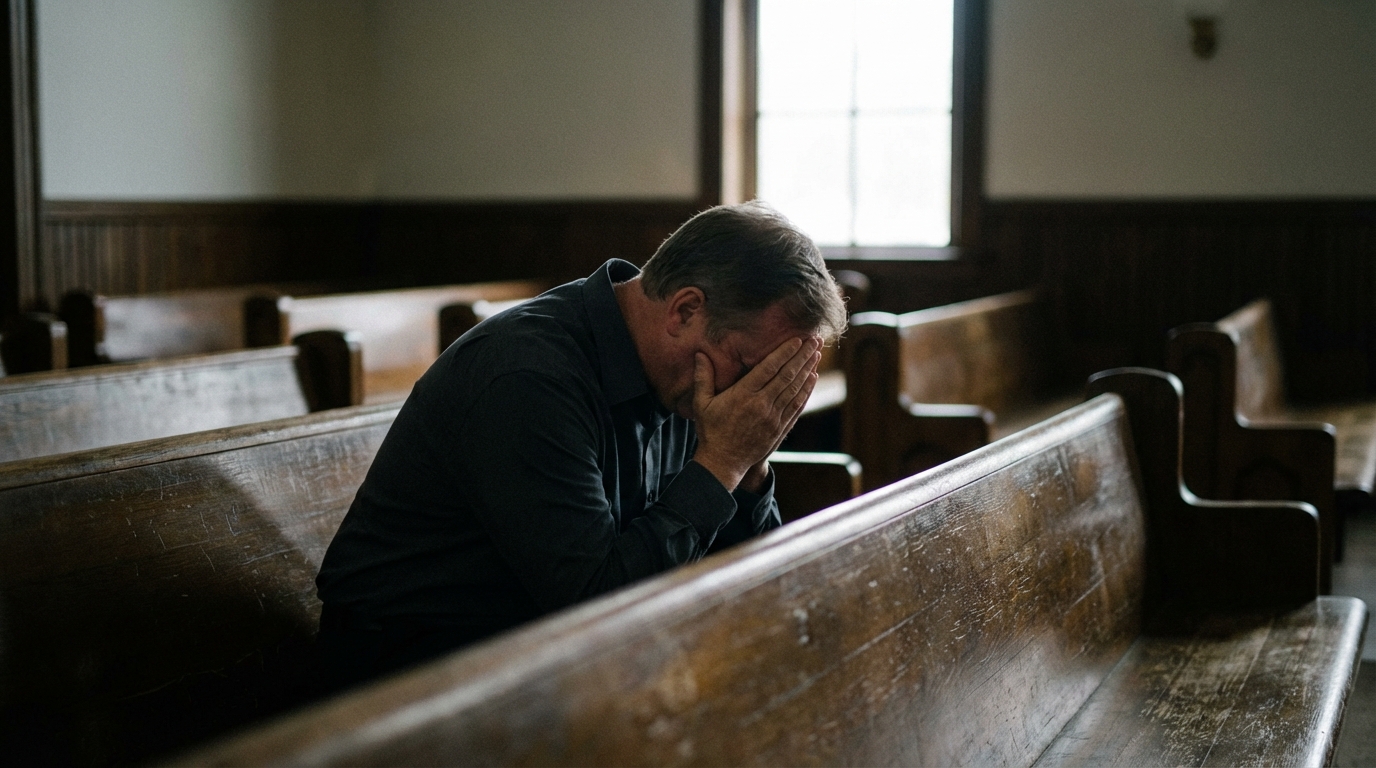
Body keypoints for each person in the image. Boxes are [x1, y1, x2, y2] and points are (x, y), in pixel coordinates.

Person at [315, 201, 848, 691]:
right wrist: (724, 461)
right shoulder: (527, 377)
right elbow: (595, 610)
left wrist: (749, 465)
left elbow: (747, 586)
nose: (755, 396)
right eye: (752, 369)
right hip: (406, 686)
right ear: (685, 311)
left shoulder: (687, 377)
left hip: (537, 666)